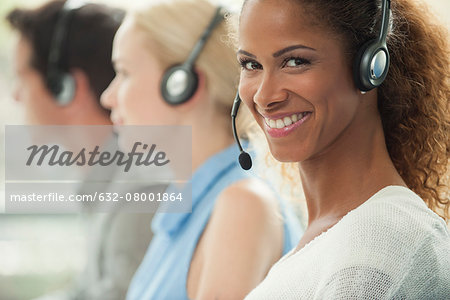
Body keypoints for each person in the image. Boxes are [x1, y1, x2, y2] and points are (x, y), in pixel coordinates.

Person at [235, 0, 450, 298]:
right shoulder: (334, 241)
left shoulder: (380, 243)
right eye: (251, 65)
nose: (264, 96)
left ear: (370, 66)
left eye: (295, 61)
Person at [100, 0, 303, 299]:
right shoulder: (187, 210)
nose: (108, 96)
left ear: (182, 84)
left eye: (125, 73)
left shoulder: (243, 205)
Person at [7, 1, 158, 299]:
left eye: (23, 77)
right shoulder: (110, 182)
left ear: (65, 87)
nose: (15, 95)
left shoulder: (140, 199)